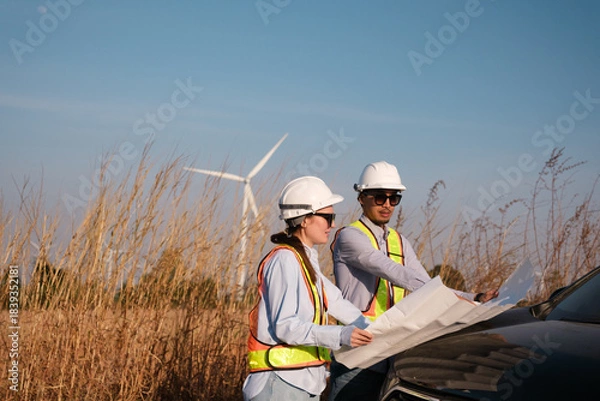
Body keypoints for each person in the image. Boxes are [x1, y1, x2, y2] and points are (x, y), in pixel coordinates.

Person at [328, 161, 498, 401]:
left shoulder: (399, 241)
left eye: (393, 198)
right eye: (379, 197)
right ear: (361, 197)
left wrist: (473, 298)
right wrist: (452, 297)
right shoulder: (350, 237)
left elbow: (426, 284)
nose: (387, 205)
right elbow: (392, 270)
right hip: (356, 358)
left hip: (390, 355)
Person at [243, 176, 374, 401]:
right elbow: (286, 326)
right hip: (279, 384)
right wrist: (341, 334)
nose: (332, 224)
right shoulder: (285, 260)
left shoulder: (305, 260)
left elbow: (337, 302)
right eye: (327, 217)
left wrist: (376, 330)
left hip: (300, 384)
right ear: (304, 220)